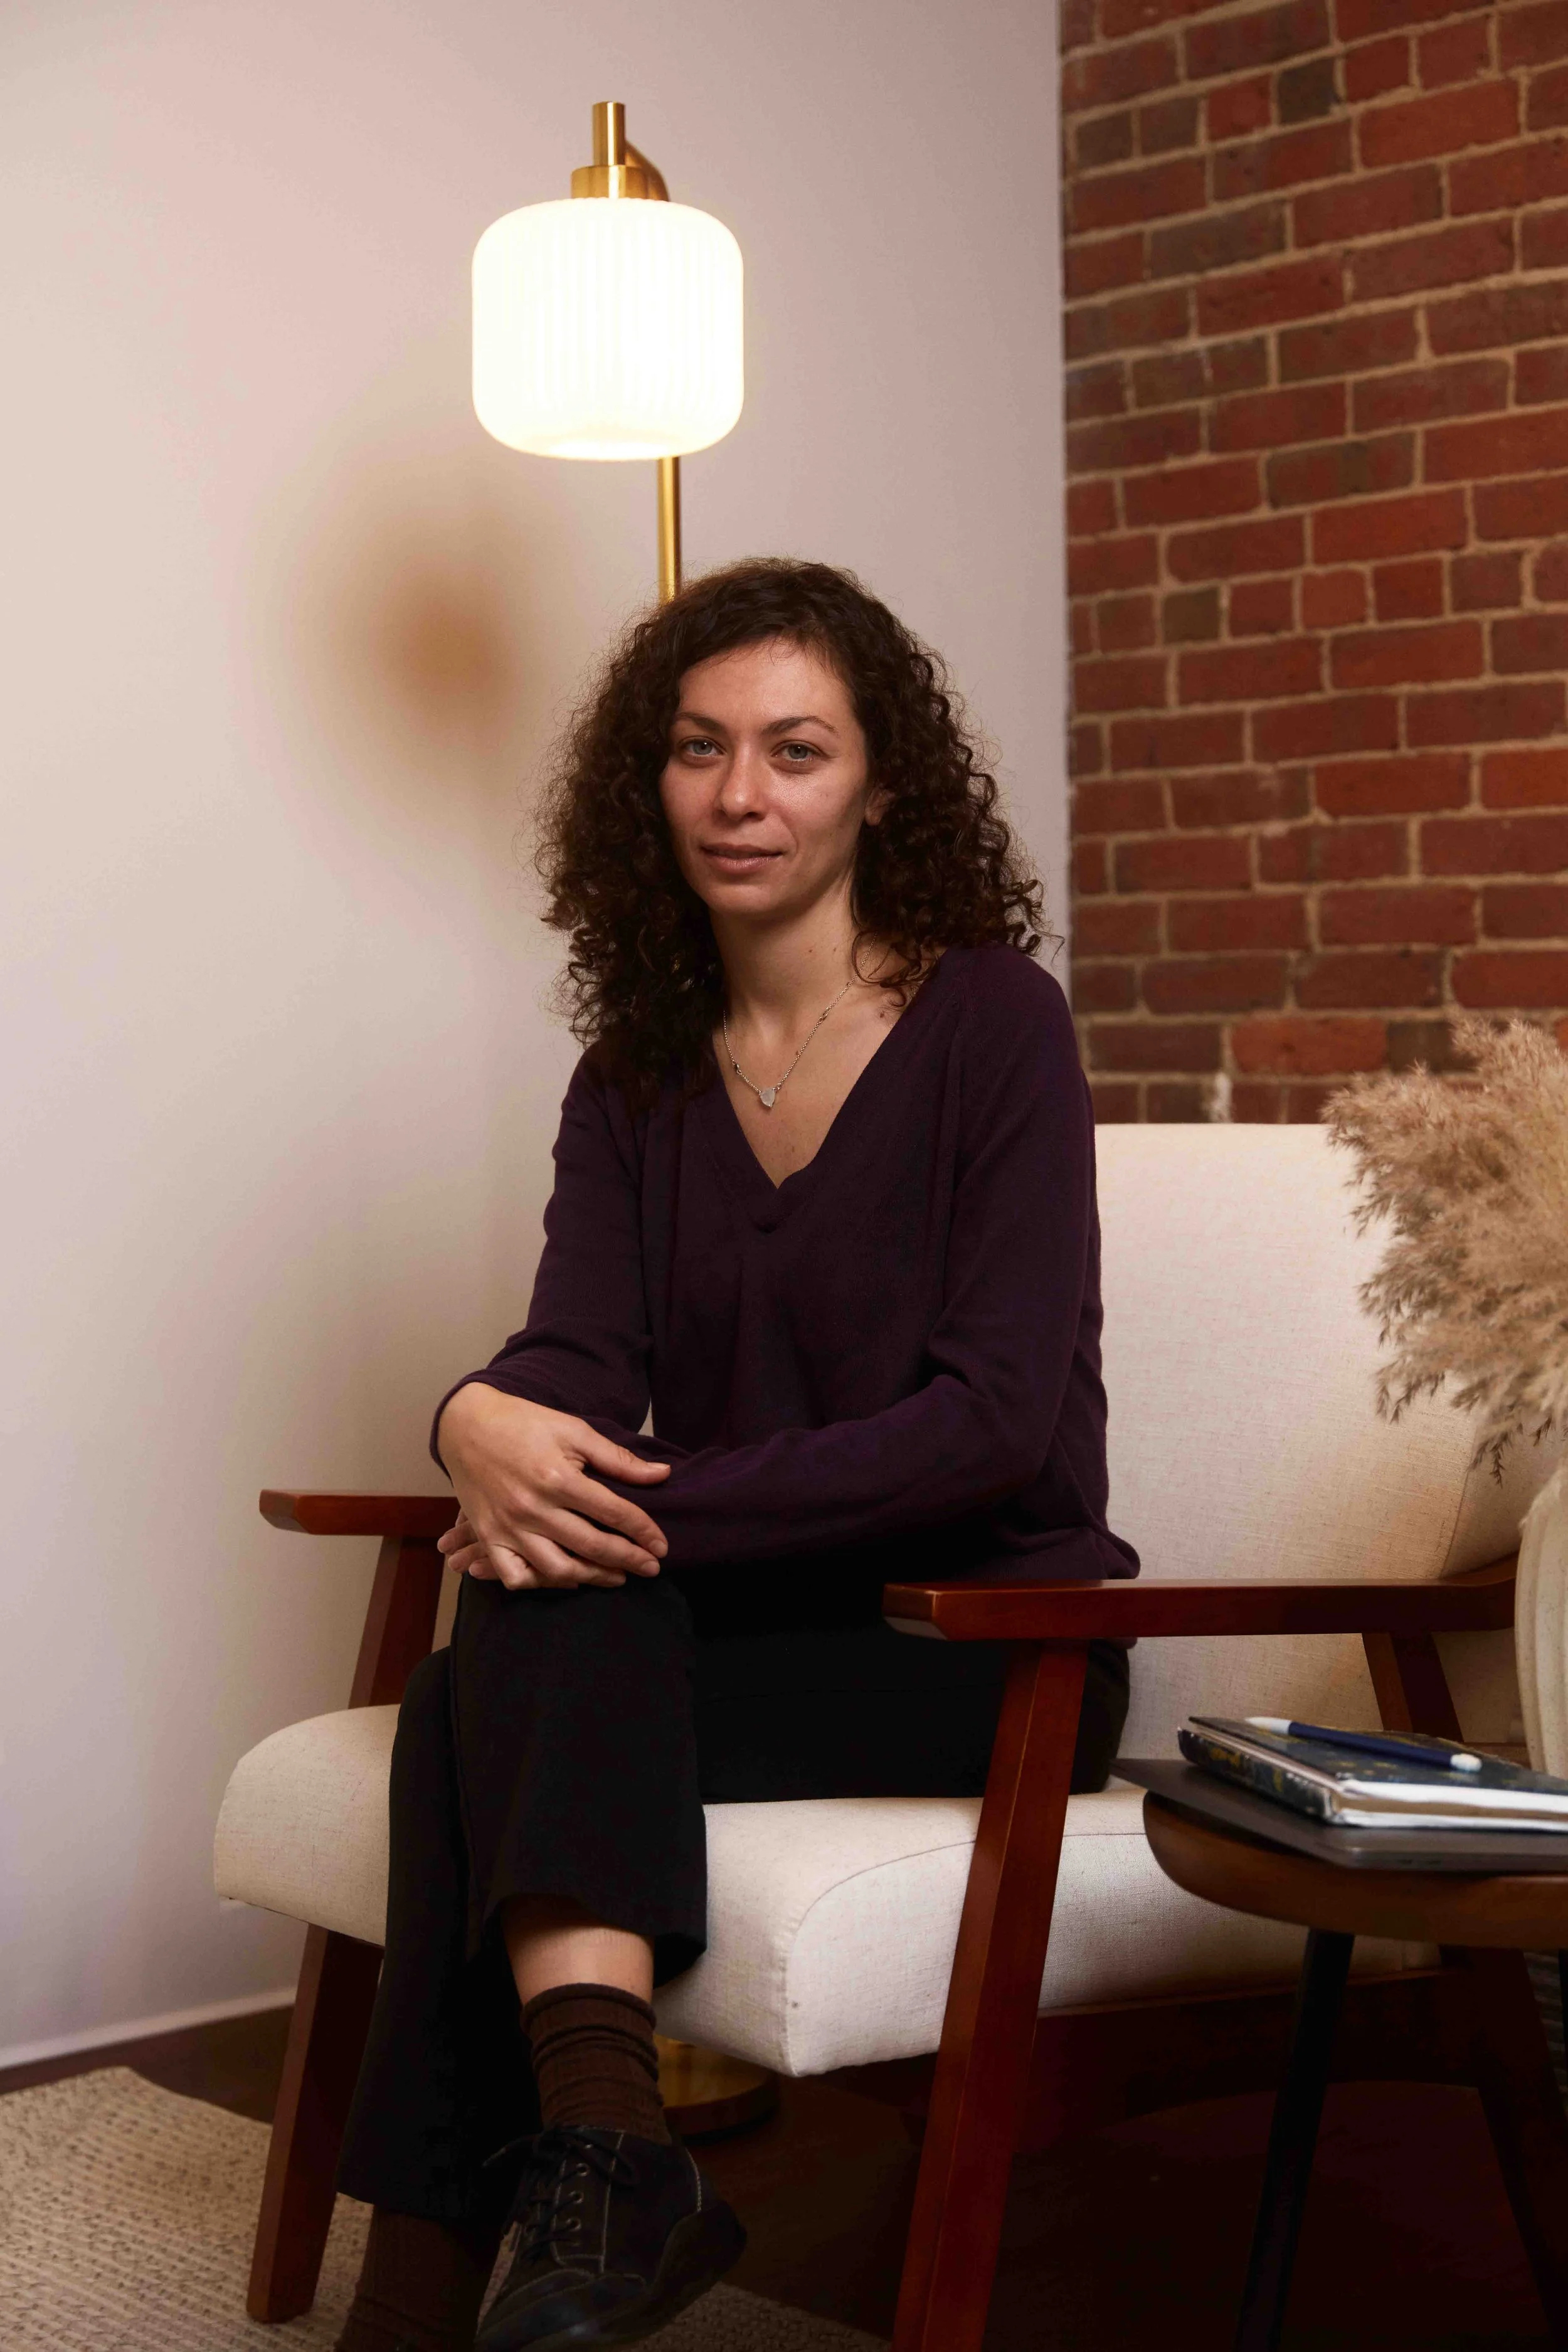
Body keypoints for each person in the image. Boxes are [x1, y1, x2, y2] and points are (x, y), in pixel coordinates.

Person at [331, 558, 1139, 2352]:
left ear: (879, 782)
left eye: (793, 748)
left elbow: (992, 1420)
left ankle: (421, 2286)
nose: (740, 793)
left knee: (504, 1660)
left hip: (978, 1648)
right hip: (737, 1620)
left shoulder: (994, 1023)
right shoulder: (633, 1067)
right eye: (700, 748)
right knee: (527, 1627)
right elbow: (570, 1358)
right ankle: (609, 2155)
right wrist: (467, 1420)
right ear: (655, 778)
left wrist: (629, 1508)